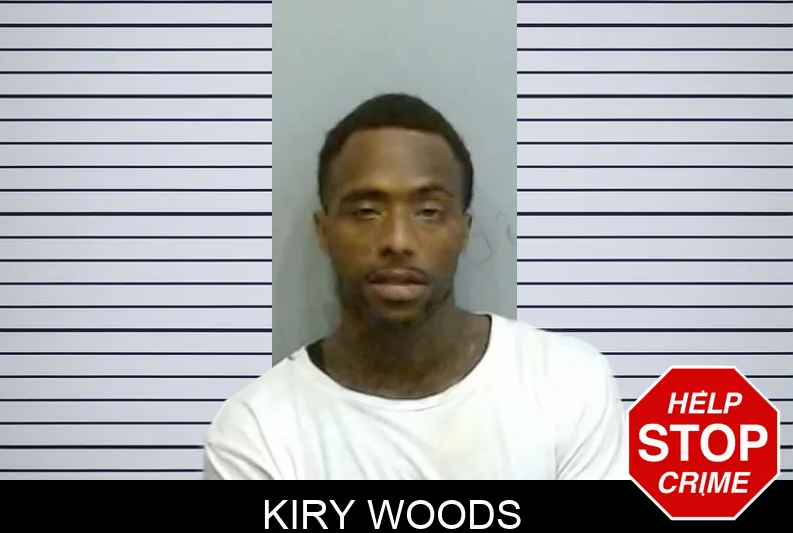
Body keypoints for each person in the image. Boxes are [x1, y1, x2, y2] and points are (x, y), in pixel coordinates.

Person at [203, 93, 628, 480]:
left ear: (463, 230)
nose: (398, 241)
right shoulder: (257, 432)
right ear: (324, 231)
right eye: (366, 211)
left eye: (428, 211)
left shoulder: (567, 384)